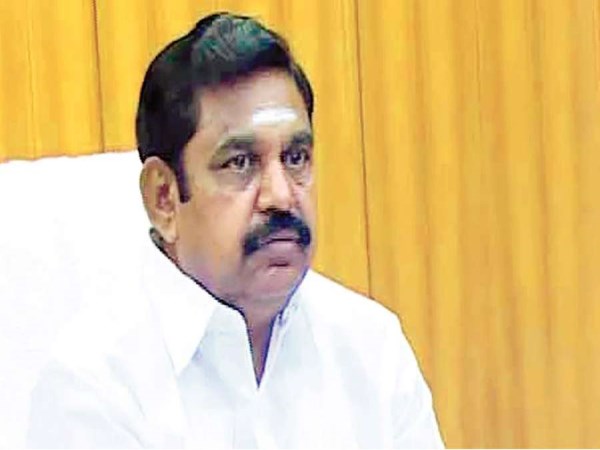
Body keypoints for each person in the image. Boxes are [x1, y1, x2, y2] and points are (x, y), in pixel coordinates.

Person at [27, 12, 444, 448]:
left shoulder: (371, 350)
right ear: (164, 198)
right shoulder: (97, 386)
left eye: (296, 157)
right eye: (240, 163)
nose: (281, 196)